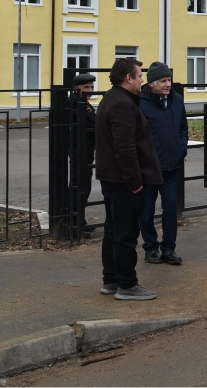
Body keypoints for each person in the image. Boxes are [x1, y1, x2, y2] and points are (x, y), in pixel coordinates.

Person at [94, 58, 163, 301]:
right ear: (128, 78)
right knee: (125, 233)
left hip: (113, 178)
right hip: (124, 181)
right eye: (139, 75)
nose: (142, 79)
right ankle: (127, 285)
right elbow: (125, 148)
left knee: (114, 230)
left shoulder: (112, 98)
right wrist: (135, 182)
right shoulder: (122, 104)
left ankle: (111, 280)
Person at [138, 62, 188, 266]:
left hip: (172, 167)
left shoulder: (176, 100)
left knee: (170, 209)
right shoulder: (140, 103)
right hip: (149, 169)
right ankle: (150, 247)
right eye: (164, 81)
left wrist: (180, 148)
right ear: (151, 84)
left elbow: (183, 128)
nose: (168, 84)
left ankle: (169, 248)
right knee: (146, 210)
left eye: (169, 80)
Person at [68, 73, 97, 237]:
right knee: (80, 186)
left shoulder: (81, 101)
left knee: (82, 186)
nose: (90, 90)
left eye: (91, 87)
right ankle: (75, 225)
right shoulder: (78, 102)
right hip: (80, 150)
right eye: (86, 87)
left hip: (83, 149)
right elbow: (94, 122)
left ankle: (79, 221)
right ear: (76, 88)